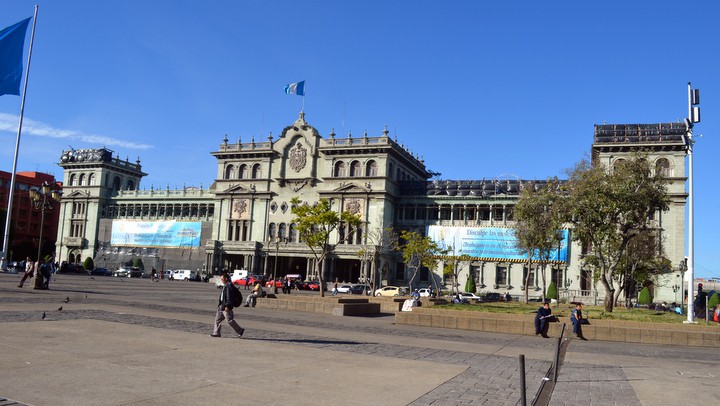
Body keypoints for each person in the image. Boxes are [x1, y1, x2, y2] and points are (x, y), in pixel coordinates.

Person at [210, 273, 245, 339]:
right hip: (221, 306)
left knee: (229, 320)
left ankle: (240, 330)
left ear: (226, 278)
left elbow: (229, 297)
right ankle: (216, 333)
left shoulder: (229, 286)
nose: (221, 280)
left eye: (222, 279)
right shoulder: (226, 285)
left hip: (226, 306)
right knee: (217, 320)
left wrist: (228, 306)